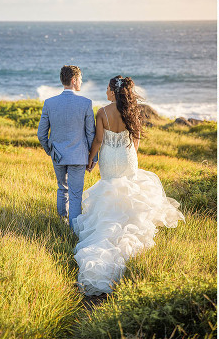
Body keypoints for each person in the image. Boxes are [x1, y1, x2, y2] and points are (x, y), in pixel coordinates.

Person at [72, 75, 184, 296]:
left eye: (107, 89)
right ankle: (129, 231)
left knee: (110, 190)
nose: (105, 93)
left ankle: (108, 234)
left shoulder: (103, 112)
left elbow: (98, 141)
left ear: (113, 92)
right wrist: (131, 153)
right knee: (130, 190)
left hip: (109, 159)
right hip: (127, 155)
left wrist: (90, 159)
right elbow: (137, 138)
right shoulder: (133, 111)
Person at [37, 65, 95, 229]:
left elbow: (41, 134)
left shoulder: (49, 103)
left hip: (58, 155)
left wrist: (51, 151)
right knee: (76, 195)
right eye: (81, 79)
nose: (81, 82)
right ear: (74, 80)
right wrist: (93, 158)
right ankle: (74, 229)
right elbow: (91, 134)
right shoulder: (86, 103)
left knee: (62, 188)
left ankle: (62, 221)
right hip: (79, 156)